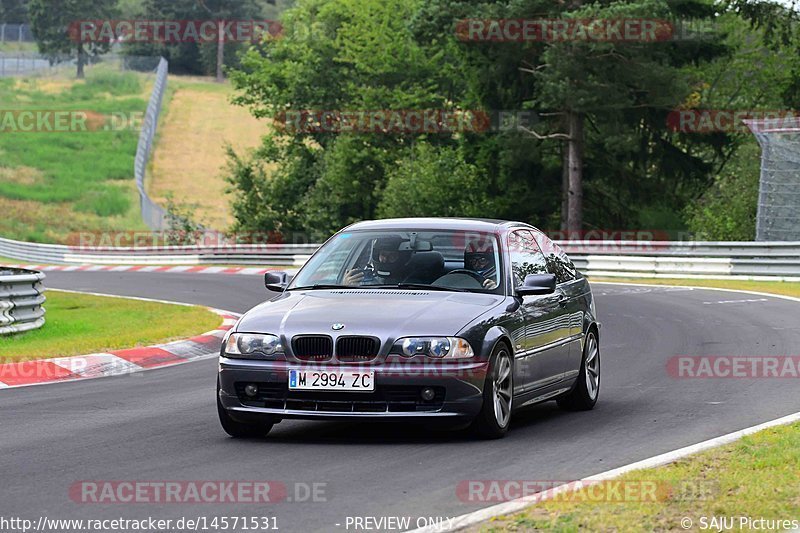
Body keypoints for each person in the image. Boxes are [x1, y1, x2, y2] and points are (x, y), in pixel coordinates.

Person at [343, 236, 412, 286]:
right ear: (376, 255)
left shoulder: (412, 282)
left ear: (401, 258)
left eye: (392, 255)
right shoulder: (362, 280)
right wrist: (346, 286)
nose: (385, 259)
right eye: (383, 254)